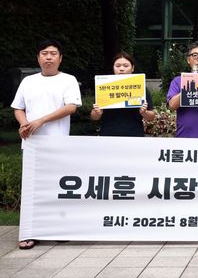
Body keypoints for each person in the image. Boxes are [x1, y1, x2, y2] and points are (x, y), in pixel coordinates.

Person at [11, 39, 82, 250]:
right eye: (44, 53)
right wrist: (24, 124)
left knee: (59, 186)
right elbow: (18, 108)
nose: (48, 57)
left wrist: (41, 121)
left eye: (53, 53)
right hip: (32, 144)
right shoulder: (28, 82)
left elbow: (71, 107)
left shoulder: (68, 80)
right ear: (38, 57)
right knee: (33, 188)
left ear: (60, 58)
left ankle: (58, 229)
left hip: (58, 142)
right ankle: (29, 232)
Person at [90, 52, 155, 136]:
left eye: (125, 66)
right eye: (117, 66)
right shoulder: (104, 87)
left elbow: (152, 117)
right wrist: (97, 113)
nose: (121, 69)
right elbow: (94, 117)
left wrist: (144, 112)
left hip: (134, 135)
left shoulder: (140, 87)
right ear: (113, 68)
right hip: (108, 135)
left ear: (132, 68)